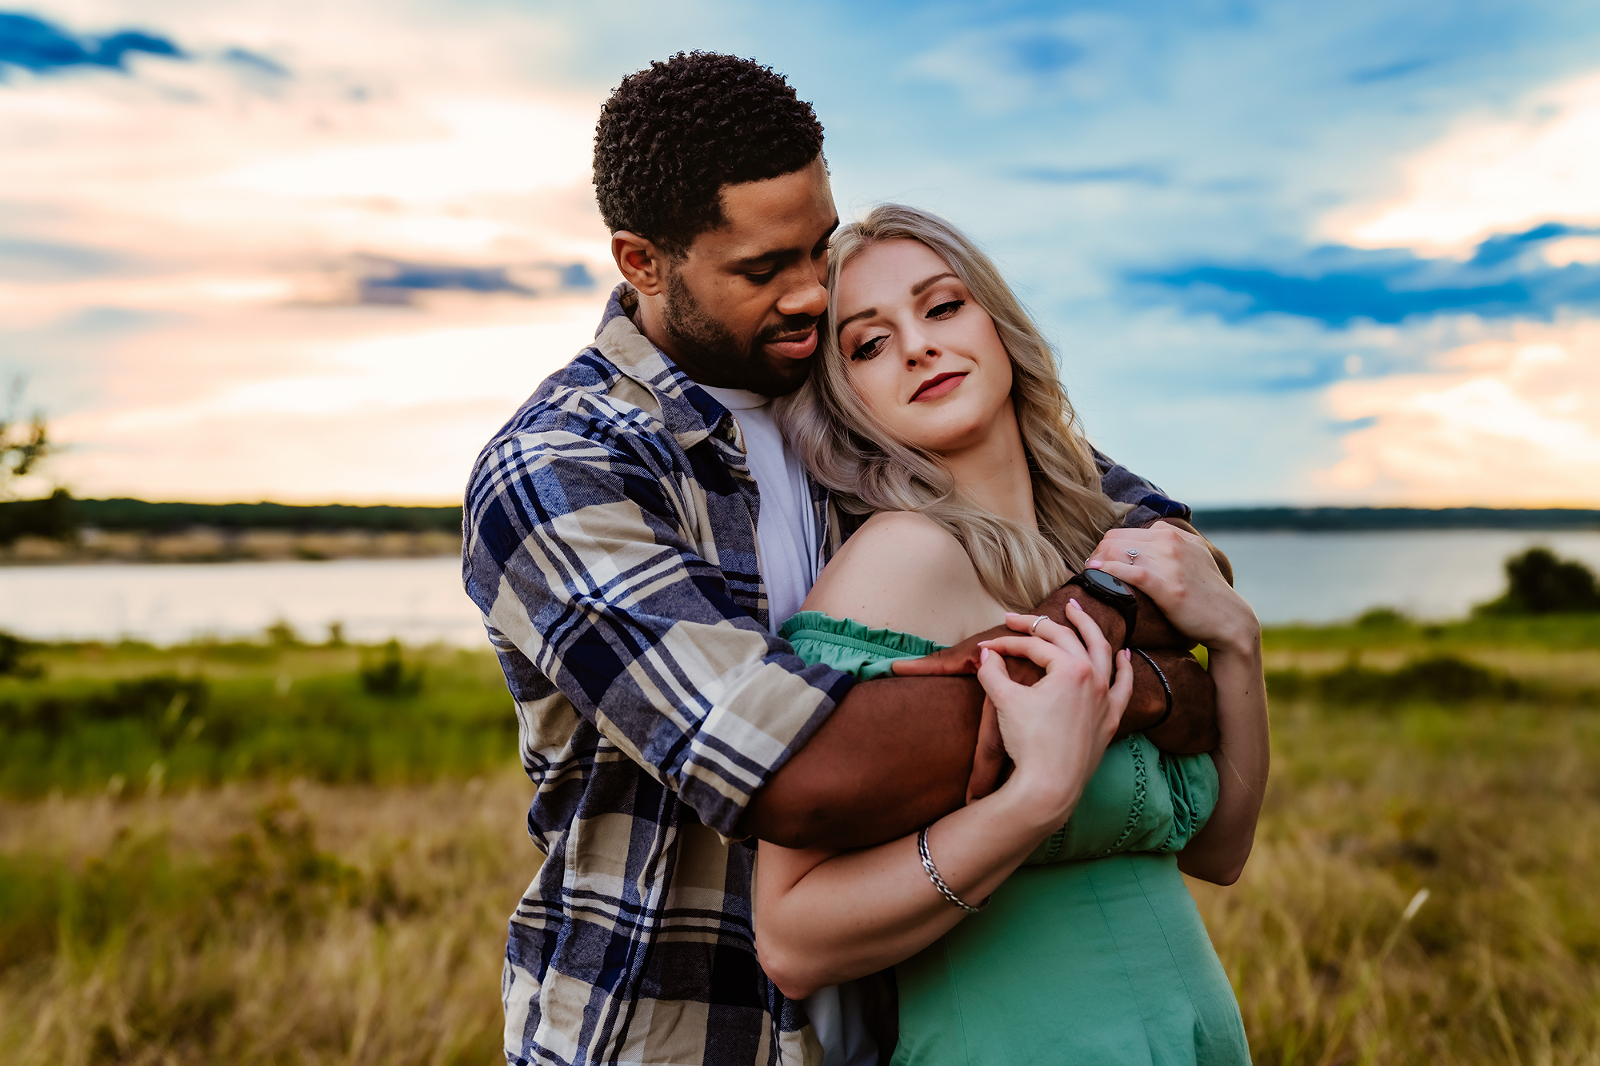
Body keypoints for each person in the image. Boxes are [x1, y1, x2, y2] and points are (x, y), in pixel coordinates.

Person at [462, 52, 1223, 1066]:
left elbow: (1153, 541)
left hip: (893, 1023)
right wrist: (1129, 691)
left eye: (817, 249)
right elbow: (787, 773)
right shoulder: (560, 467)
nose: (813, 295)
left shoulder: (846, 400)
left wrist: (1105, 648)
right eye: (763, 269)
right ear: (642, 262)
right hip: (673, 1035)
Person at [754, 205, 1269, 1063]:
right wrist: (1036, 799)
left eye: (942, 306)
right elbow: (794, 939)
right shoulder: (898, 563)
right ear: (844, 400)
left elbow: (1222, 852)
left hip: (1197, 1038)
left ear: (999, 325)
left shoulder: (1096, 556)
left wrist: (1239, 640)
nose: (917, 346)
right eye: (869, 344)